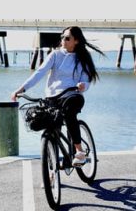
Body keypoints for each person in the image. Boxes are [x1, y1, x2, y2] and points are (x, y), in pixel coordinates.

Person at [11, 26, 104, 166]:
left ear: (76, 41)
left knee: (69, 114)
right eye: (62, 37)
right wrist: (21, 89)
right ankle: (50, 175)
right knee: (49, 126)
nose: (63, 40)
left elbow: (86, 79)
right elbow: (39, 73)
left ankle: (79, 151)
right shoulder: (55, 55)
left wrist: (83, 85)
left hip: (72, 95)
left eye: (67, 38)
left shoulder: (82, 58)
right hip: (52, 97)